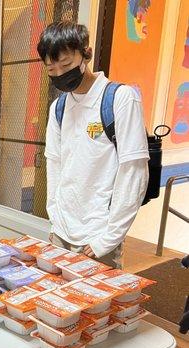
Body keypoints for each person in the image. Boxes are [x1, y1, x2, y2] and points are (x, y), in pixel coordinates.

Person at [38, 22, 149, 269]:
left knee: (98, 307)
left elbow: (135, 172)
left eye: (66, 65)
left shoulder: (120, 98)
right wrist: (55, 220)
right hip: (61, 232)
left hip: (97, 237)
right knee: (57, 302)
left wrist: (109, 238)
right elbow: (54, 164)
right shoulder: (58, 107)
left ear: (85, 53)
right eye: (51, 69)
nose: (59, 74)